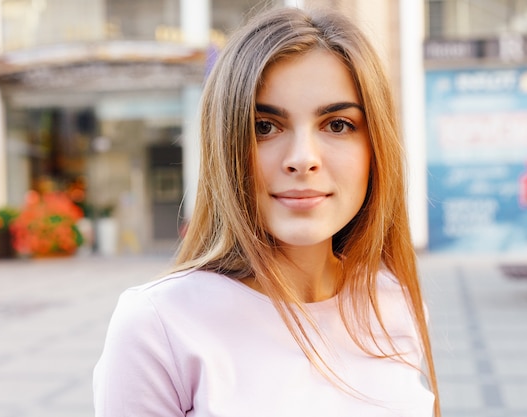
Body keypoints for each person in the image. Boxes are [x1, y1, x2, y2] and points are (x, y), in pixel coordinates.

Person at [93, 6, 440, 417]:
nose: (302, 159)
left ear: (375, 148)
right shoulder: (159, 325)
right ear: (226, 146)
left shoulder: (392, 300)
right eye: (264, 126)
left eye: (337, 124)